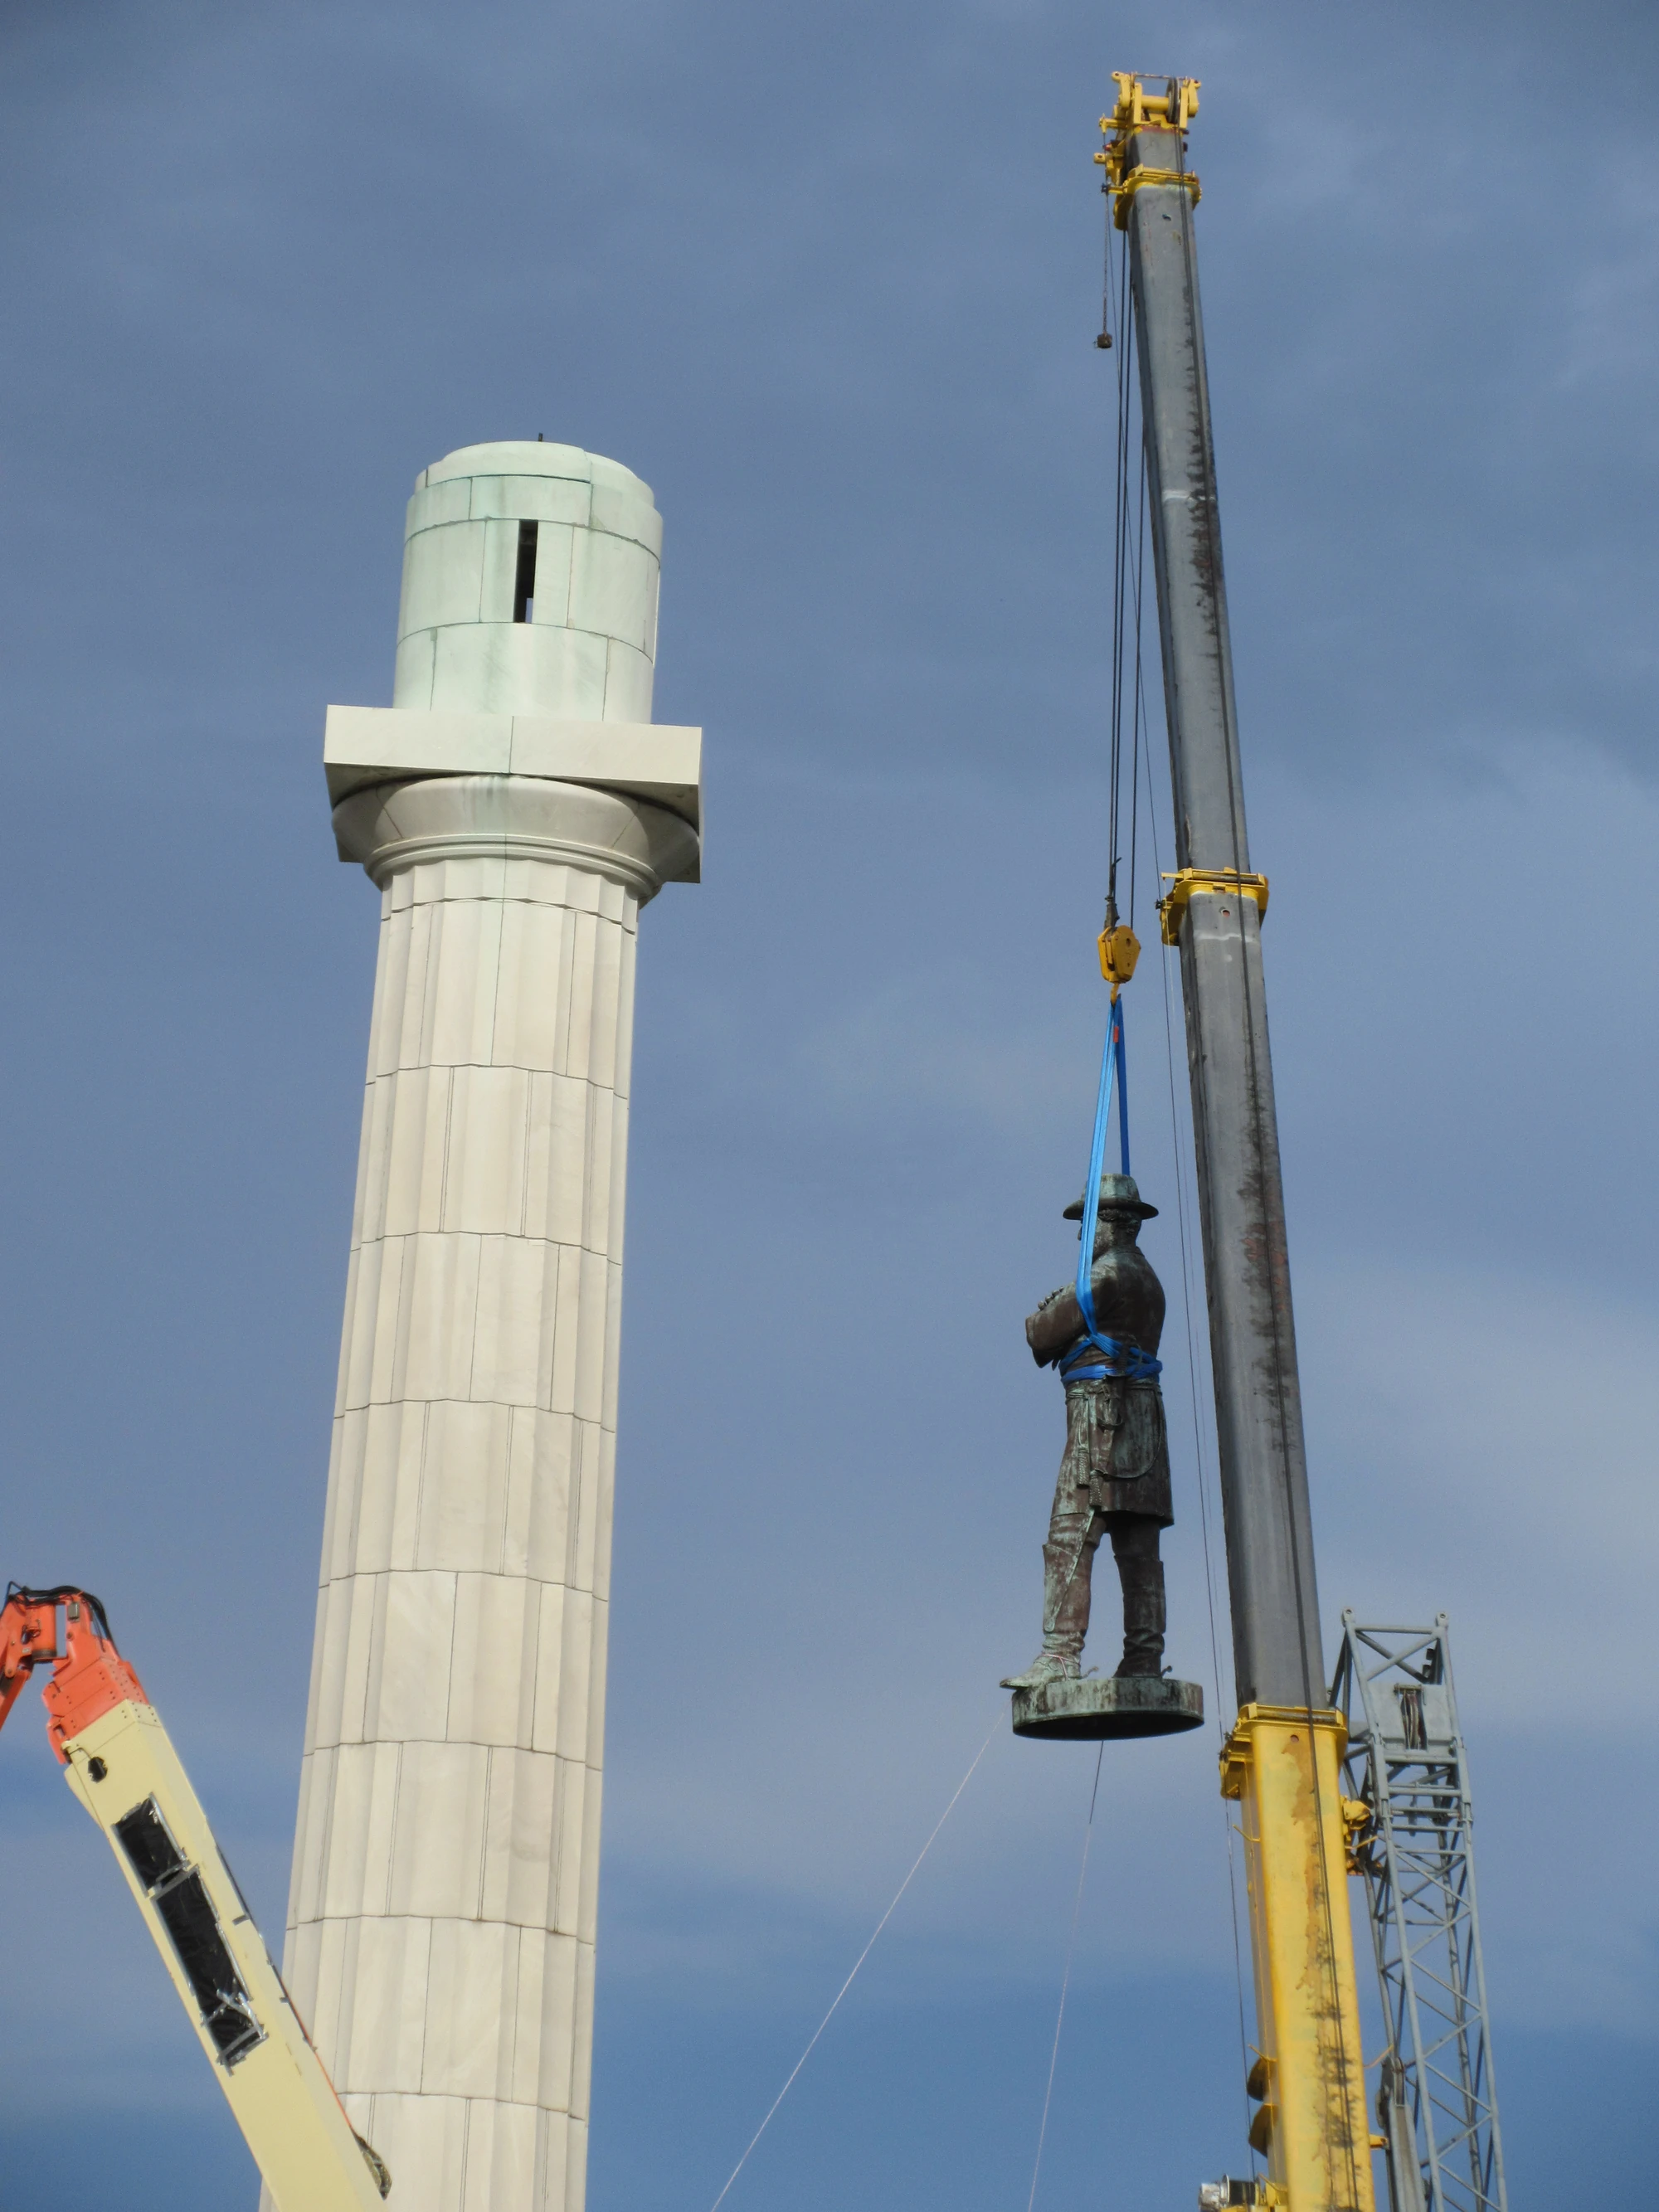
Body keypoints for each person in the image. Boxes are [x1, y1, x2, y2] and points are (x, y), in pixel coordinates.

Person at [1001, 1170, 1172, 1689]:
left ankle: (1059, 1654)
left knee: (1070, 1537)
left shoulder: (1107, 1277)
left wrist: (1046, 1312)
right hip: (1143, 1421)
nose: (1080, 1235)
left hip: (1101, 1423)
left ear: (1112, 1224)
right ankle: (1144, 1657)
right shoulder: (1149, 1281)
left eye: (1087, 1223)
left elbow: (1041, 1333)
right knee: (1137, 1547)